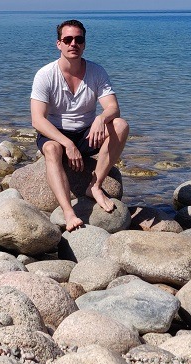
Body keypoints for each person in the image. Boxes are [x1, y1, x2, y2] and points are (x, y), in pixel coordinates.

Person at [30, 19, 129, 231]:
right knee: (51, 148)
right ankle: (68, 212)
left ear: (84, 44)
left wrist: (101, 118)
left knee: (120, 125)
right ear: (59, 44)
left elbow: (113, 107)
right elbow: (37, 120)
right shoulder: (45, 75)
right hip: (56, 133)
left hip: (87, 133)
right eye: (67, 39)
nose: (73, 43)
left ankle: (95, 186)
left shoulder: (96, 72)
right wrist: (67, 143)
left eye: (78, 39)